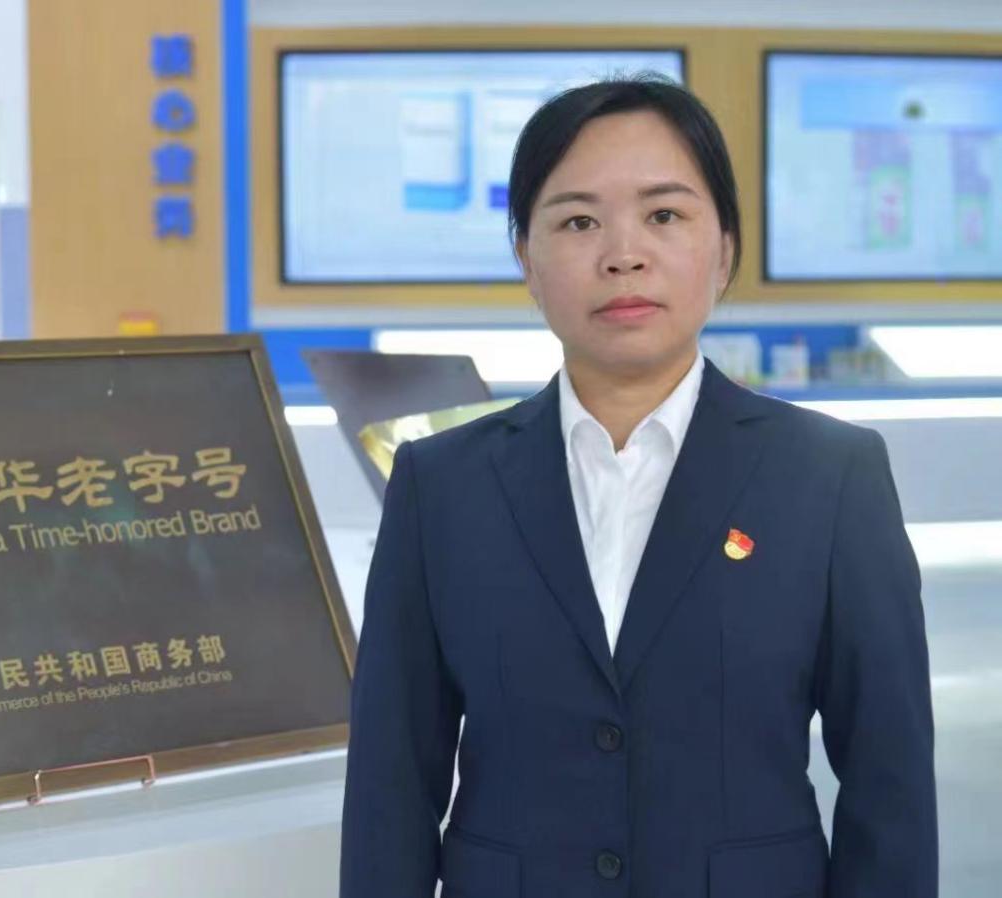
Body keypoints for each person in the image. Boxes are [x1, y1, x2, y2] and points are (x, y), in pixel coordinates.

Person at [339, 76, 937, 898]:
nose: (623, 253)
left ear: (722, 249)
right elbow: (390, 782)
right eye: (578, 221)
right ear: (526, 260)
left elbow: (888, 782)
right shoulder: (438, 485)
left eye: (663, 215)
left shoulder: (830, 476)